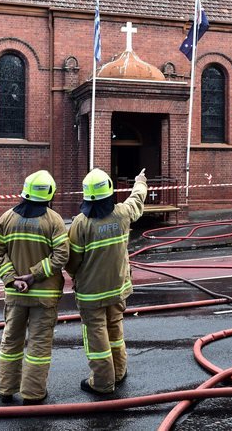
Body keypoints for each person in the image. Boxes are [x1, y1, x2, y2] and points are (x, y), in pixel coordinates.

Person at [0, 170, 70, 405]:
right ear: (49, 194)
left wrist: (12, 279)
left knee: (11, 340)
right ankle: (33, 394)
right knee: (39, 344)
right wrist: (34, 275)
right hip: (44, 297)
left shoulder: (7, 218)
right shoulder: (53, 221)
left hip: (15, 294)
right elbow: (61, 256)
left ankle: (6, 388)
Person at [66, 167, 147, 395]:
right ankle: (119, 372)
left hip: (91, 294)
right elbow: (137, 198)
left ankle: (102, 382)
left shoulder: (80, 224)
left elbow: (72, 262)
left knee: (96, 336)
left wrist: (77, 277)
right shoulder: (122, 214)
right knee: (115, 329)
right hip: (118, 289)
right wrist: (140, 180)